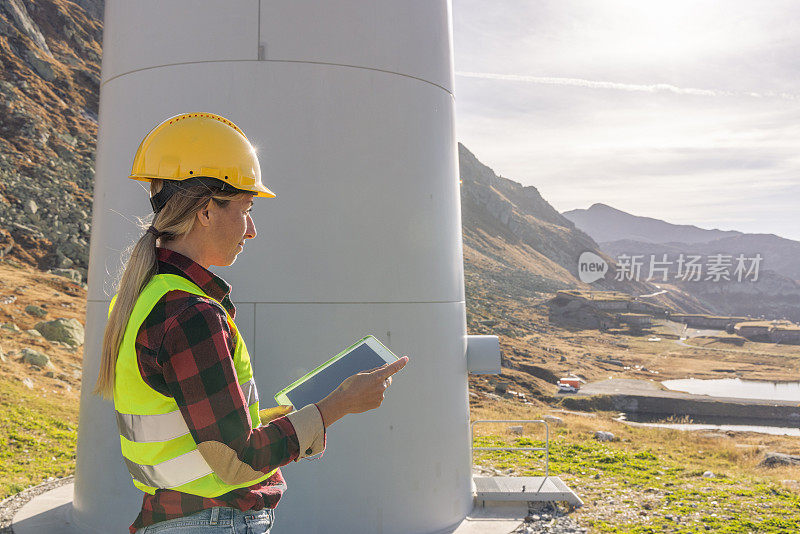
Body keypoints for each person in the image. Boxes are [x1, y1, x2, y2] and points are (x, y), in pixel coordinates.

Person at [93, 113, 408, 534]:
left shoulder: (146, 297)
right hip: (214, 523)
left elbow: (200, 431)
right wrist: (339, 405)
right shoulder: (192, 315)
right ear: (206, 211)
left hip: (178, 520)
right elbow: (237, 461)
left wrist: (285, 414)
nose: (253, 230)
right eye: (247, 208)